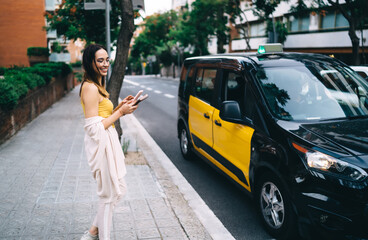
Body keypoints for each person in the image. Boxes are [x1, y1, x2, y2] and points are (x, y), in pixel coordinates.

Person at [79, 44, 138, 240]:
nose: (105, 64)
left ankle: (92, 232)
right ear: (90, 62)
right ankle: (99, 236)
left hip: (108, 143)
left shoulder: (98, 85)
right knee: (109, 195)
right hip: (101, 146)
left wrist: (119, 108)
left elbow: (101, 119)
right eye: (100, 60)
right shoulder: (89, 88)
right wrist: (120, 113)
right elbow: (93, 128)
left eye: (107, 60)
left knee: (117, 191)